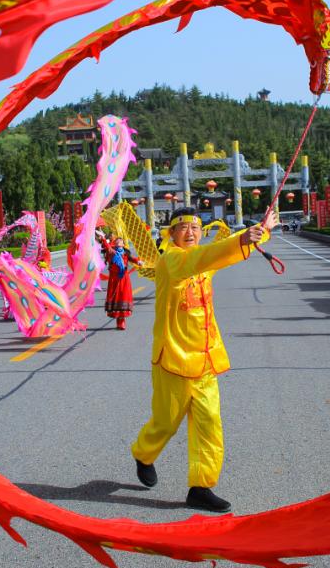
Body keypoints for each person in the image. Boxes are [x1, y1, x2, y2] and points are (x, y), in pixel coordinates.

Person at [130, 207, 270, 513]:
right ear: (171, 234)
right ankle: (143, 453)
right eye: (183, 228)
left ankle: (201, 487)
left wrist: (262, 231)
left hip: (205, 359)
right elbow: (204, 257)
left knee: (210, 425)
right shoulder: (171, 261)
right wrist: (241, 238)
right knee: (166, 422)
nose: (190, 233)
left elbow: (217, 257)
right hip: (174, 359)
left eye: (195, 228)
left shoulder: (201, 264)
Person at [103, 236, 141, 330]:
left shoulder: (125, 253)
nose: (118, 241)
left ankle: (122, 320)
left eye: (120, 241)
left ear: (123, 244)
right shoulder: (112, 252)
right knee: (116, 298)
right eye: (117, 241)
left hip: (124, 279)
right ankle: (119, 320)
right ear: (114, 243)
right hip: (114, 279)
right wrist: (103, 238)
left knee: (123, 297)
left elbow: (133, 259)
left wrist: (138, 262)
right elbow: (107, 247)